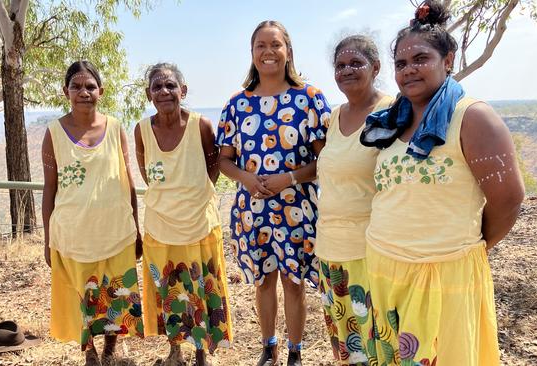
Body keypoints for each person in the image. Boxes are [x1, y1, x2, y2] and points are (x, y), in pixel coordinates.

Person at [359, 2, 525, 365]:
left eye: (421, 59)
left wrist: (470, 245)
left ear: (448, 60)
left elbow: (509, 200)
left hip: (441, 276)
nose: (409, 70)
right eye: (401, 64)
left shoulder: (473, 117)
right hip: (385, 267)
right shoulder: (393, 120)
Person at [217, 20, 331, 366]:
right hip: (253, 209)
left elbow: (326, 159)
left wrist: (291, 179)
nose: (268, 52)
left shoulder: (309, 99)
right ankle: (269, 347)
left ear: (288, 51)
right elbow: (224, 161)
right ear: (251, 53)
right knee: (263, 281)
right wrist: (247, 180)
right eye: (260, 46)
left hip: (298, 207)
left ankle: (295, 351)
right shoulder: (237, 104)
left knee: (293, 282)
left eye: (276, 45)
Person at [42, 60, 144, 366]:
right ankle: (89, 352)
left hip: (115, 231)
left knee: (114, 292)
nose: (83, 92)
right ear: (65, 91)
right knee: (81, 296)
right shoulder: (53, 134)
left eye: (90, 86)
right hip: (73, 233)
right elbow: (50, 190)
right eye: (76, 86)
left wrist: (136, 228)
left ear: (101, 91)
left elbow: (128, 182)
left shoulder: (115, 129)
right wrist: (48, 238)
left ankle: (111, 347)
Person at [135, 62, 232, 366]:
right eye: (157, 87)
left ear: (183, 90)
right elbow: (147, 174)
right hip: (159, 228)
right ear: (149, 95)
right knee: (169, 292)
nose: (164, 91)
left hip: (199, 227)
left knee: (199, 289)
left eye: (170, 86)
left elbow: (212, 166)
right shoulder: (141, 131)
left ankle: (201, 353)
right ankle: (175, 351)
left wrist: (195, 195)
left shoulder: (201, 126)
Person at [315, 35, 393, 365]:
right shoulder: (334, 118)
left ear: (375, 68)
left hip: (370, 252)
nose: (346, 70)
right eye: (340, 66)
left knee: (378, 339)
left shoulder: (393, 112)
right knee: (347, 343)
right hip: (329, 249)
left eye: (355, 64)